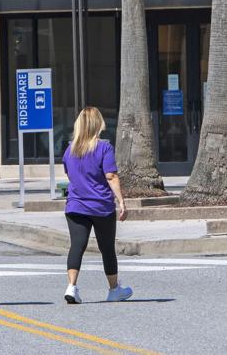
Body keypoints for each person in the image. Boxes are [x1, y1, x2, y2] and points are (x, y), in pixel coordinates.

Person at [61, 107, 132, 304]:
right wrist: (121, 201)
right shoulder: (104, 148)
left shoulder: (69, 150)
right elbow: (111, 176)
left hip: (76, 206)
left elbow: (70, 174)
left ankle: (71, 287)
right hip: (101, 206)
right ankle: (114, 289)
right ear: (98, 124)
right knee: (107, 248)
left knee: (77, 246)